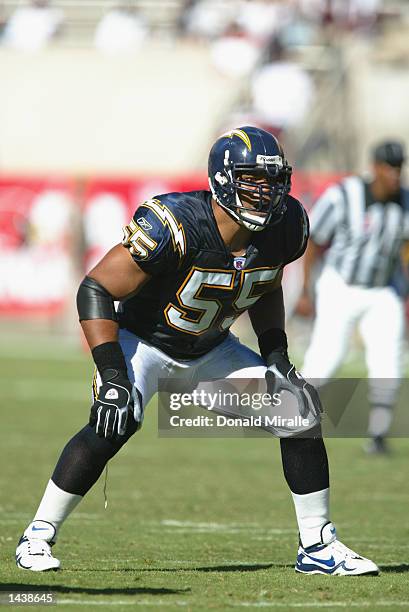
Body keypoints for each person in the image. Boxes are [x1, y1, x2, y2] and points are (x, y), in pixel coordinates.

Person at [15, 127, 378, 575]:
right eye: (253, 180)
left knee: (299, 415)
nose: (267, 191)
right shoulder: (177, 223)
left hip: (210, 351)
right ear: (224, 179)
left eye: (274, 180)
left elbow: (265, 285)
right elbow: (95, 289)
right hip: (143, 343)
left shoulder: (287, 227)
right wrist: (111, 374)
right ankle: (37, 535)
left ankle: (317, 546)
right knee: (115, 420)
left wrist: (278, 358)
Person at [298, 140, 409, 454]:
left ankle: (378, 435)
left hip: (384, 289)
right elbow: (314, 240)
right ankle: (296, 419)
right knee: (326, 358)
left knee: (388, 362)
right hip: (341, 285)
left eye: (399, 167)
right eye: (389, 167)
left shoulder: (405, 202)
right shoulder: (344, 195)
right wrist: (306, 290)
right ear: (374, 167)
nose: (395, 174)